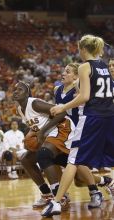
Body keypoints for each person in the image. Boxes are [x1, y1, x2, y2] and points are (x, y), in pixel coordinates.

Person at [41, 34, 114, 217]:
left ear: (82, 49)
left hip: (92, 117)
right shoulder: (104, 66)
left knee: (74, 160)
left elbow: (84, 97)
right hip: (108, 116)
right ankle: (101, 185)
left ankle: (56, 202)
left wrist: (62, 107)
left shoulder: (84, 66)